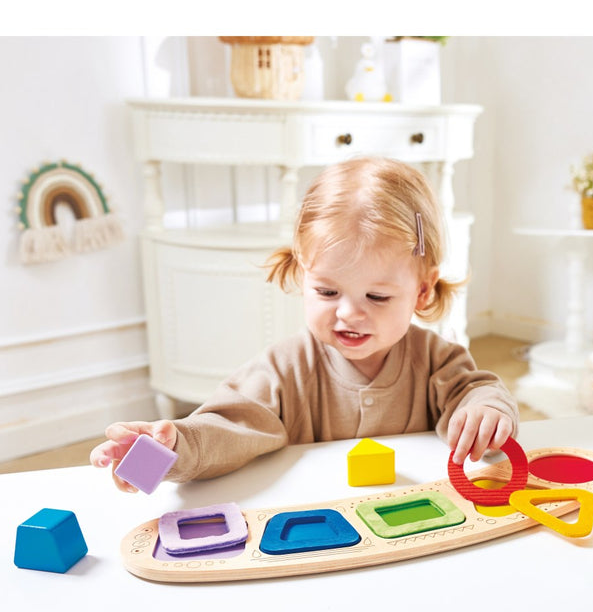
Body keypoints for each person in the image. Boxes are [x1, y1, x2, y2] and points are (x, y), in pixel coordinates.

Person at [91, 156, 519, 491]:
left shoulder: (438, 360)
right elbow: (224, 429)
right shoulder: (283, 369)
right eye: (328, 292)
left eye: (377, 297)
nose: (348, 313)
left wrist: (486, 414)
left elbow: (479, 392)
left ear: (422, 291)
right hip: (318, 526)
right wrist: (156, 455)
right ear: (302, 275)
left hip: (416, 520)